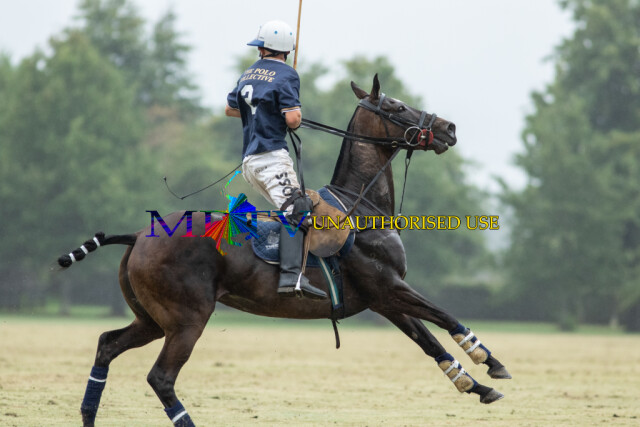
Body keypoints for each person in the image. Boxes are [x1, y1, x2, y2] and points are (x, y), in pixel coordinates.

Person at [225, 20, 327, 300]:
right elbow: (293, 119)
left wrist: (265, 112)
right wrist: (291, 117)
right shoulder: (287, 74)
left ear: (263, 48)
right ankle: (292, 277)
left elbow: (230, 109)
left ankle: (278, 259)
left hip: (249, 162)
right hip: (271, 158)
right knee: (299, 211)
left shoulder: (249, 72)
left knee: (288, 212)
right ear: (287, 50)